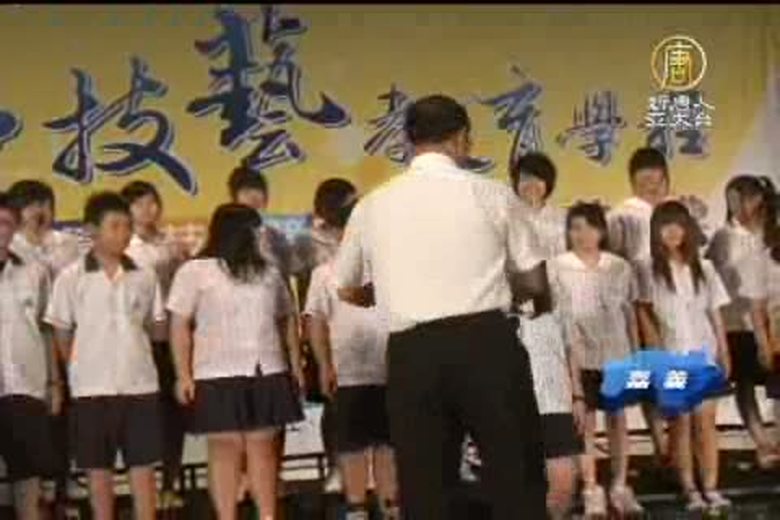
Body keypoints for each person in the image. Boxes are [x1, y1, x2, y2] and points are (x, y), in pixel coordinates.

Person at [333, 94, 547, 519]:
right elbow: (535, 281)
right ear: (461, 138)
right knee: (515, 474)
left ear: (409, 141)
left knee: (425, 485)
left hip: (414, 355)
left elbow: (346, 287)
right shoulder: (491, 194)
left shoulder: (373, 205)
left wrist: (382, 294)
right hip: (486, 344)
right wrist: (521, 297)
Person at [167, 203, 305, 520]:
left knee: (263, 447)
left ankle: (267, 515)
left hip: (266, 368)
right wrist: (183, 374)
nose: (261, 235)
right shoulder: (195, 271)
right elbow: (179, 325)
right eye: (255, 229)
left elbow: (286, 319)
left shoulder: (269, 272)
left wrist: (295, 365)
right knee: (225, 447)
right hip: (215, 371)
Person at [46, 191, 166, 520]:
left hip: (140, 384)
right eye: (114, 226)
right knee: (98, 471)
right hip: (91, 389)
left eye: (127, 226)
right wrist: (76, 366)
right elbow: (61, 330)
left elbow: (157, 326)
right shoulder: (71, 277)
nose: (123, 233)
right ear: (91, 230)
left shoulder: (145, 274)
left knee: (143, 469)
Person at [304, 187, 398, 520]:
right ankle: (356, 508)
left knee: (388, 444)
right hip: (347, 373)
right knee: (352, 445)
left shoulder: (391, 269)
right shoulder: (323, 274)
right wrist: (324, 365)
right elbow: (315, 321)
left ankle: (390, 506)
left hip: (389, 370)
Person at [636, 201, 732, 513]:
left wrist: (724, 351)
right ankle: (690, 489)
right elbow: (644, 314)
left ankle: (711, 487)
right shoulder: (648, 269)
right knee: (681, 423)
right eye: (666, 225)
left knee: (706, 423)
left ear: (688, 228)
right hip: (672, 357)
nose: (673, 232)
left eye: (678, 224)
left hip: (704, 356)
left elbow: (715, 313)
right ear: (656, 231)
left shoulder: (704, 268)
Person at [549, 202, 644, 517]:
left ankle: (620, 485)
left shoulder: (619, 267)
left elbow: (629, 314)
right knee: (585, 425)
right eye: (575, 227)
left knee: (618, 421)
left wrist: (637, 355)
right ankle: (591, 488)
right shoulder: (558, 266)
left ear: (602, 231)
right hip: (579, 356)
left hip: (617, 355)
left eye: (590, 227)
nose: (583, 234)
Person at [508, 153, 582, 518]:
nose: (531, 186)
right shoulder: (506, 219)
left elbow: (570, 343)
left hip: (554, 388)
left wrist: (578, 393)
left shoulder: (561, 222)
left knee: (562, 477)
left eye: (538, 179)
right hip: (512, 395)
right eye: (524, 178)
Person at [8, 180, 83, 518]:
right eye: (32, 205)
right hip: (23, 354)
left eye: (46, 204)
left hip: (62, 343)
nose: (40, 212)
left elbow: (76, 289)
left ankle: (61, 490)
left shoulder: (65, 246)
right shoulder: (15, 248)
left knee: (61, 422)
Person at [120, 181, 190, 509]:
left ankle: (170, 484)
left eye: (152, 203)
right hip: (135, 340)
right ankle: (142, 488)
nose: (147, 210)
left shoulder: (171, 245)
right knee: (140, 416)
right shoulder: (122, 248)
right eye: (139, 204)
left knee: (172, 415)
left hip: (168, 339)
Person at [706, 175, 780, 469]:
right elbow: (710, 276)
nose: (736, 207)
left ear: (757, 199)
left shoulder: (773, 234)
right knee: (745, 382)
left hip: (772, 319)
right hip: (736, 320)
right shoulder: (723, 236)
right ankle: (762, 442)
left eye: (740, 199)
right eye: (731, 201)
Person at [293, 178, 361, 495]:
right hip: (325, 326)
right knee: (334, 402)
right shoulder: (306, 242)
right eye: (351, 201)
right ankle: (336, 465)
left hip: (364, 326)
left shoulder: (363, 234)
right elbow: (297, 283)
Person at [606, 147, 672, 467]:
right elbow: (613, 259)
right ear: (633, 182)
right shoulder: (622, 214)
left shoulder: (677, 211)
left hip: (678, 309)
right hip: (641, 309)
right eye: (644, 182)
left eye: (657, 181)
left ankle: (680, 445)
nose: (652, 188)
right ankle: (661, 443)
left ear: (666, 180)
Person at [0, 191, 61, 520]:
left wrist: (54, 382)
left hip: (25, 386)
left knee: (28, 475)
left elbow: (46, 329)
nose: (1, 230)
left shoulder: (34, 271)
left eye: (6, 223)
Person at [7, 180, 82, 276]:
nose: (38, 212)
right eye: (30, 206)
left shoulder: (67, 242)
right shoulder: (7, 246)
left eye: (45, 206)